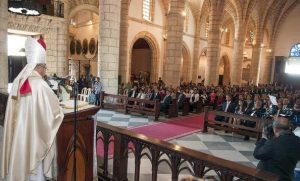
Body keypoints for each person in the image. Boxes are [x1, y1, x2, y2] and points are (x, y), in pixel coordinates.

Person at [1, 36, 64, 181]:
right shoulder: (40, 85)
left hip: (19, 137)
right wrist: (59, 109)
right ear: (40, 66)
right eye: (44, 67)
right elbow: (54, 112)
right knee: (35, 172)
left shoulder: (18, 81)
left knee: (20, 162)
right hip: (33, 139)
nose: (44, 71)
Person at [253, 117, 300, 181]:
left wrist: (264, 138)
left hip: (268, 177)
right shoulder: (298, 140)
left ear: (275, 129)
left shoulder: (273, 142)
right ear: (289, 128)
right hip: (288, 177)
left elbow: (257, 154)